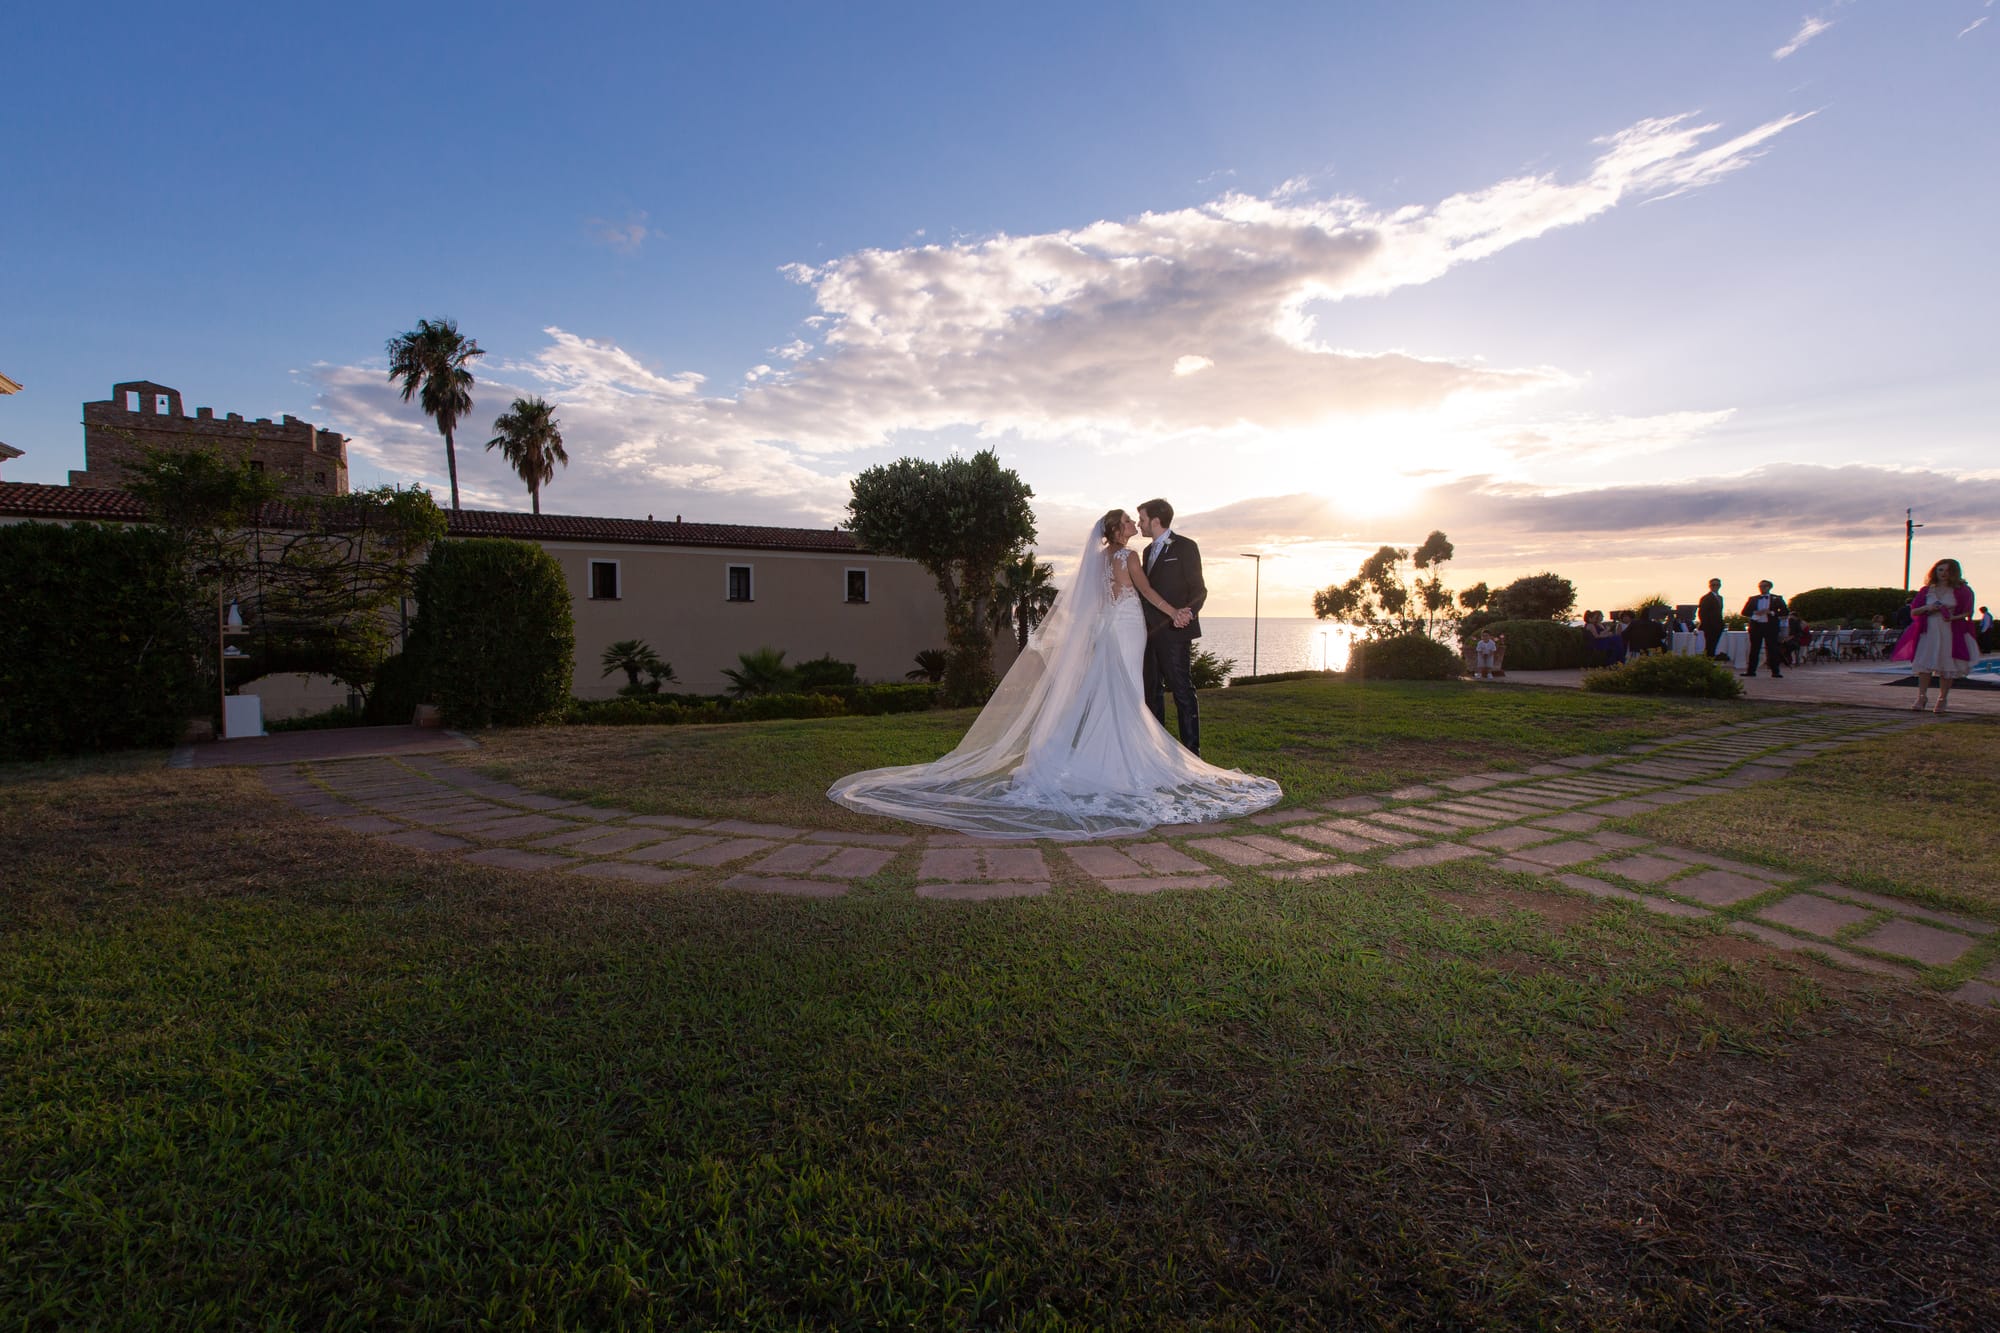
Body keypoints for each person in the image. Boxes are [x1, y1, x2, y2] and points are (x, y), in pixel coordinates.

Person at [826, 510, 1281, 839]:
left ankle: (1096, 755)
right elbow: (1145, 595)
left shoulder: (1100, 560)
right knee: (1126, 695)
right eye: (1128, 523)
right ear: (1118, 530)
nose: (1133, 527)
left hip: (1108, 629)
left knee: (1113, 694)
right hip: (1127, 628)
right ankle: (1122, 761)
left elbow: (1098, 603)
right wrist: (1176, 612)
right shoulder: (1129, 559)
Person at [1136, 498, 1205, 754]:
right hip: (1149, 634)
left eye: (1142, 519)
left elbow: (1199, 589)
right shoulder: (1145, 552)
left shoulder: (1186, 547)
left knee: (1182, 692)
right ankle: (1158, 752)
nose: (1139, 524)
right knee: (1151, 691)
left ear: (1155, 520)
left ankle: (1193, 753)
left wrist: (1188, 613)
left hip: (1175, 632)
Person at [1891, 558, 1978, 714]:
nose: (1944, 573)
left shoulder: (1962, 590)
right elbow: (1914, 612)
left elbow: (1968, 612)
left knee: (1947, 665)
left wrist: (1952, 617)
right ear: (1935, 571)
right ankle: (1921, 696)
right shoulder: (1926, 590)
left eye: (1947, 570)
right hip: (1929, 630)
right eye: (1941, 570)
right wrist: (1928, 607)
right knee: (1924, 664)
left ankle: (1942, 698)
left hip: (1950, 630)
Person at [1739, 580, 1788, 678]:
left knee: (1772, 649)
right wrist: (1755, 612)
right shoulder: (1753, 599)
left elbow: (1785, 612)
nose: (1762, 588)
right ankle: (1751, 671)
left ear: (1769, 587)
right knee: (1754, 649)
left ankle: (1775, 671)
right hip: (1756, 626)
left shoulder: (1777, 598)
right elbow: (1744, 612)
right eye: (1760, 586)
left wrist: (1772, 612)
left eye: (1764, 586)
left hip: (1770, 627)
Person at [1697, 578, 1726, 659]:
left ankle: (1710, 660)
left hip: (1718, 626)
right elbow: (1702, 613)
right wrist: (1707, 625)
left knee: (1714, 645)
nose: (1715, 586)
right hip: (1710, 626)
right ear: (1709, 586)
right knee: (1709, 645)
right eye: (1713, 585)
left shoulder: (1720, 598)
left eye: (1717, 585)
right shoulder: (1706, 598)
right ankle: (1708, 662)